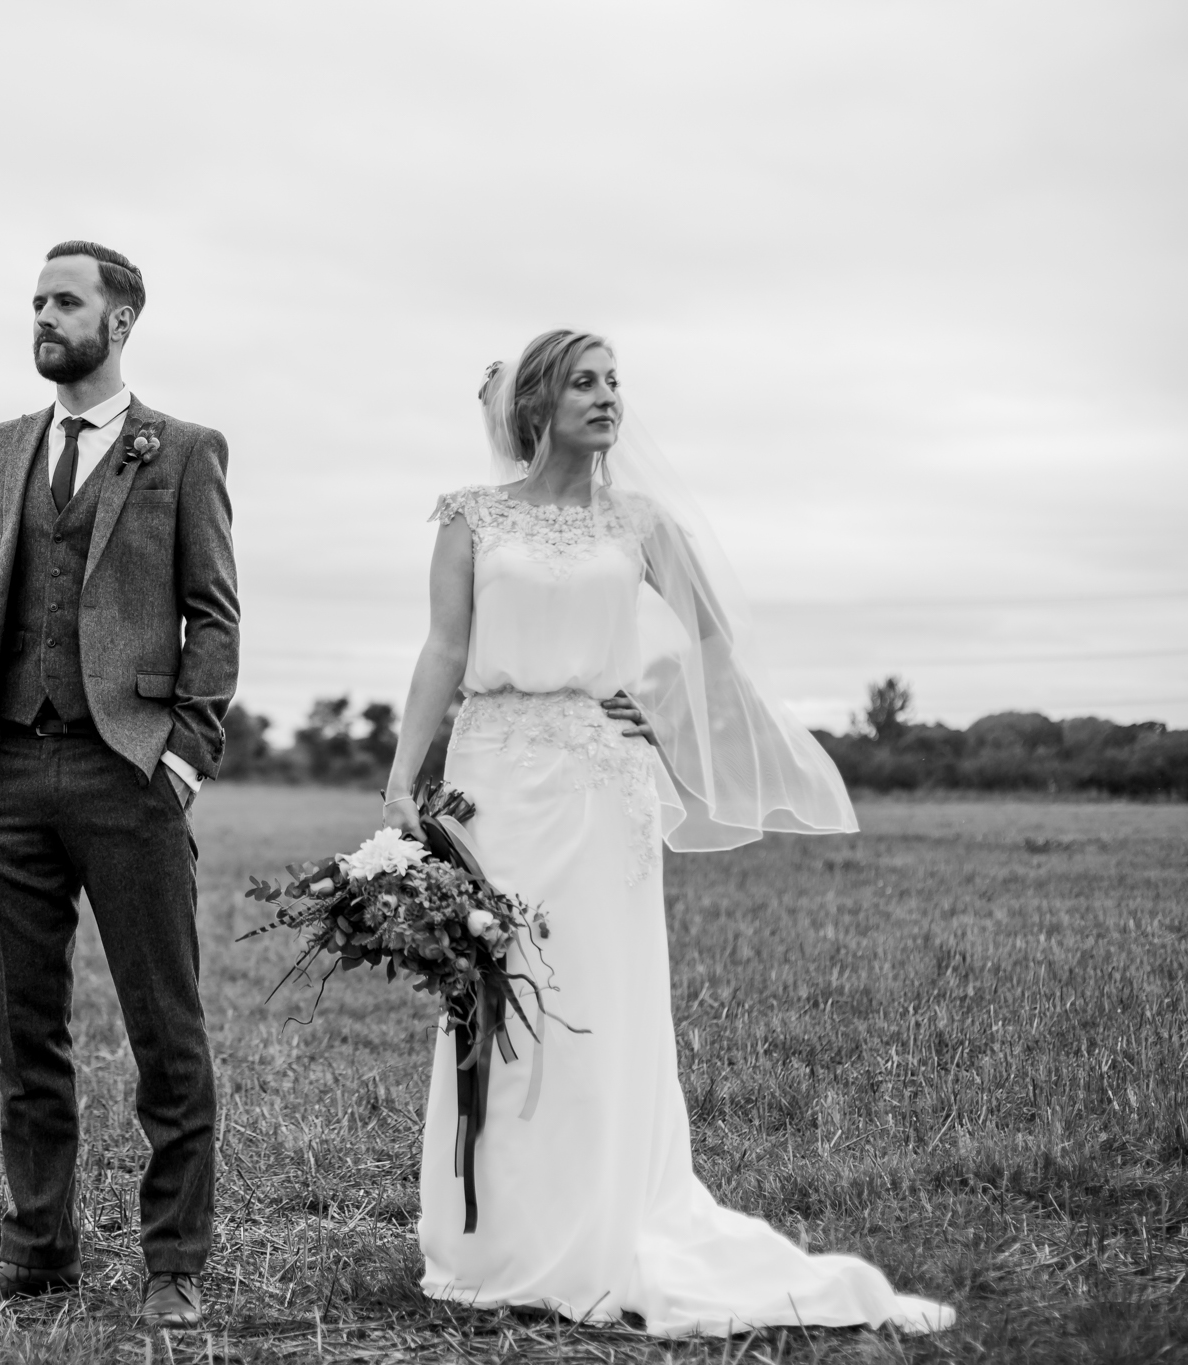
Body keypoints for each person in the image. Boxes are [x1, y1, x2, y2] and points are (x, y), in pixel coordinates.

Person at [380, 330, 954, 1338]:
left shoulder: (640, 523)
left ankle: (601, 1223)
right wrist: (399, 775)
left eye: (613, 383)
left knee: (594, 998)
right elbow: (444, 644)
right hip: (491, 781)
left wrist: (653, 715)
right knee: (497, 995)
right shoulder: (470, 518)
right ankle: (497, 1238)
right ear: (534, 405)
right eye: (582, 383)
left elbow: (712, 638)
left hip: (602, 788)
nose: (607, 399)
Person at [0, 241, 237, 1329]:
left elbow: (214, 613)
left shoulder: (184, 450)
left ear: (121, 320)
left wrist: (187, 752)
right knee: (26, 1031)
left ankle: (174, 1264)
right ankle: (36, 1252)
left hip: (127, 774)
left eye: (65, 301)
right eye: (35, 302)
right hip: (5, 772)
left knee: (166, 1028)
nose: (43, 317)